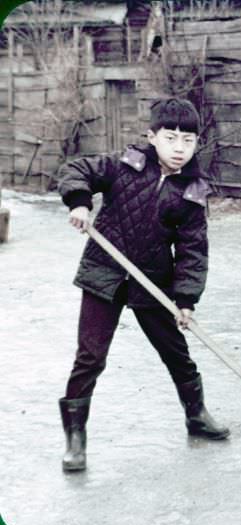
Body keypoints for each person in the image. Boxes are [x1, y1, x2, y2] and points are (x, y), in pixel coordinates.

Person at [57, 98, 229, 473]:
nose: (179, 148)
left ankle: (196, 415)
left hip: (152, 282)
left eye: (188, 140)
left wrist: (186, 299)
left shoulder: (192, 192)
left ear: (197, 144)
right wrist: (80, 202)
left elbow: (192, 249)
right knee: (90, 357)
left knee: (176, 354)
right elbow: (75, 169)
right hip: (104, 274)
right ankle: (75, 439)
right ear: (153, 137)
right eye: (171, 138)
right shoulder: (124, 166)